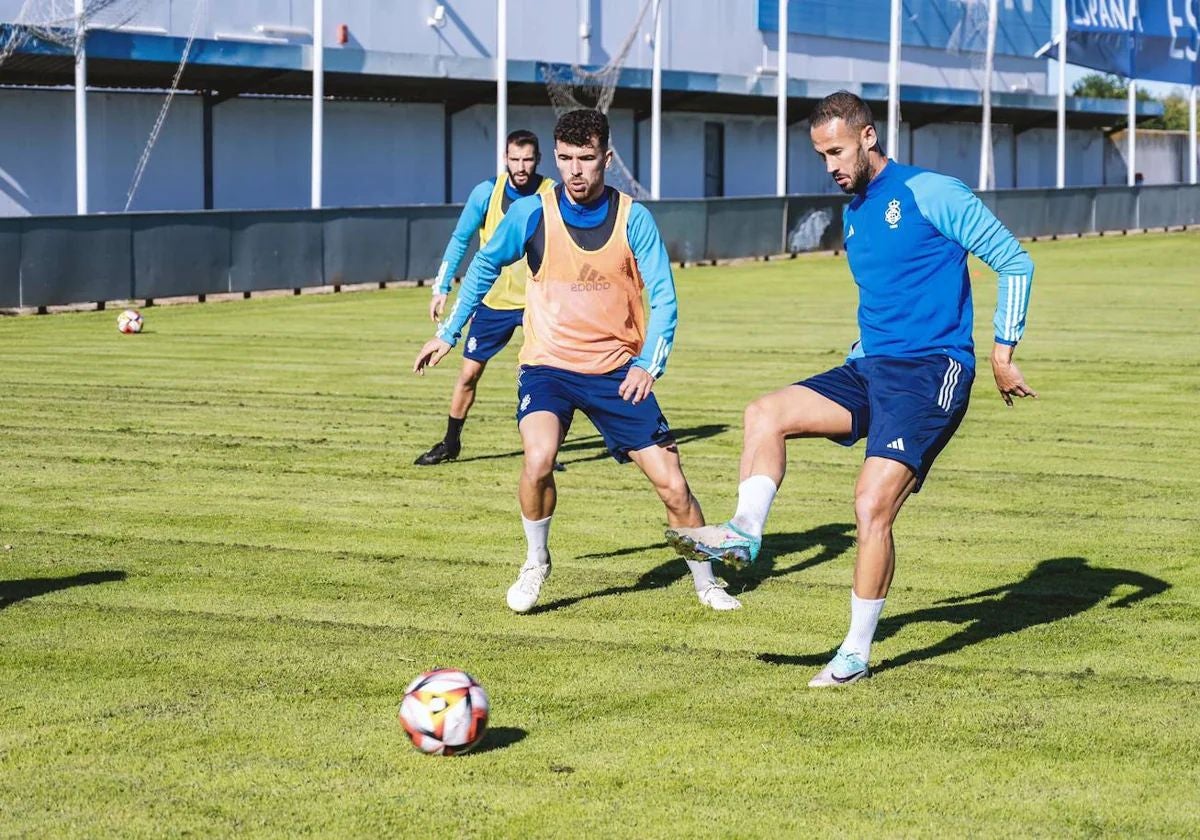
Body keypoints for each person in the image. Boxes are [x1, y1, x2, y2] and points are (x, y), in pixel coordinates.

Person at [666, 91, 1037, 686]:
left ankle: (855, 654)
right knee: (765, 412)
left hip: (932, 372)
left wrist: (1002, 350)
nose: (831, 165)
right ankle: (744, 533)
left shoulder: (933, 192)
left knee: (870, 507)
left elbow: (1015, 262)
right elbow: (883, 302)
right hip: (871, 370)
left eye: (836, 150)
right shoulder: (856, 213)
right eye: (821, 155)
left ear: (868, 136)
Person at [415, 109, 740, 614]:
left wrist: (648, 365)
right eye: (565, 159)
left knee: (673, 484)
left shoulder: (635, 218)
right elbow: (483, 263)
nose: (574, 170)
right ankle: (536, 561)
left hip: (616, 372)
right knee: (538, 459)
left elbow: (664, 296)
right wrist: (449, 332)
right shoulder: (532, 214)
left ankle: (706, 579)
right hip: (548, 368)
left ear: (606, 159)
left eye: (586, 158)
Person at [415, 129, 556, 466]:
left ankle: (546, 450)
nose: (521, 167)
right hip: (492, 302)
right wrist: (441, 287)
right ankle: (451, 443)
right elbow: (460, 239)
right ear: (505, 159)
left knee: (547, 376)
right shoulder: (486, 193)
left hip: (538, 303)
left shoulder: (552, 193)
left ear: (538, 160)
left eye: (527, 159)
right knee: (468, 374)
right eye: (514, 159)